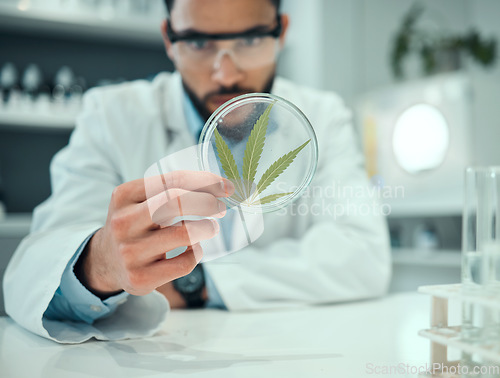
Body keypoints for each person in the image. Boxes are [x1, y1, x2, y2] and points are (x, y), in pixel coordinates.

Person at [3, 0, 391, 343]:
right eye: (199, 43)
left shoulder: (322, 116)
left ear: (281, 32)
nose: (225, 74)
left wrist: (194, 283)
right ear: (169, 39)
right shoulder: (111, 115)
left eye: (251, 40)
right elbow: (32, 276)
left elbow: (364, 255)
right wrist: (100, 264)